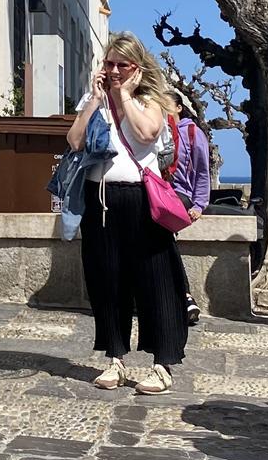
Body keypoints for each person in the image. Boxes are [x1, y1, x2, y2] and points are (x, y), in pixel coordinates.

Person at [67, 33, 190, 393]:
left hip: (140, 199)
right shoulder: (95, 102)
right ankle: (114, 356)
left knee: (156, 281)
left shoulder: (152, 100)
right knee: (106, 279)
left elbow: (147, 133)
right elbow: (74, 141)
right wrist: (94, 100)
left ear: (138, 68)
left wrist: (122, 96)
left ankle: (163, 363)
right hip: (100, 198)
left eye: (123, 65)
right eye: (109, 64)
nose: (115, 70)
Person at [169, 100, 212, 325]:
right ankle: (182, 297)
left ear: (178, 107)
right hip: (157, 193)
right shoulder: (153, 128)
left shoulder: (192, 132)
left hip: (179, 195)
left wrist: (198, 204)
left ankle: (184, 296)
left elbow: (202, 171)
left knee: (163, 237)